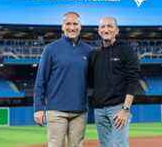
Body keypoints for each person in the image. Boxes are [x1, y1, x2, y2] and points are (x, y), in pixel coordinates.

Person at [34, 12, 91, 147]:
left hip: (80, 110)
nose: (72, 27)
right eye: (68, 24)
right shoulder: (51, 49)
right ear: (62, 26)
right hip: (56, 110)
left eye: (75, 24)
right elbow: (40, 80)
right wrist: (38, 108)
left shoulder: (88, 50)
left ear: (80, 26)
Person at [88, 17, 142, 147]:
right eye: (103, 27)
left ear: (116, 30)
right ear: (99, 31)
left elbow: (133, 80)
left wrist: (125, 109)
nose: (106, 29)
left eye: (110, 26)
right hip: (99, 110)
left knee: (120, 144)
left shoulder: (126, 50)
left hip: (118, 108)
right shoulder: (94, 54)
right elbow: (90, 82)